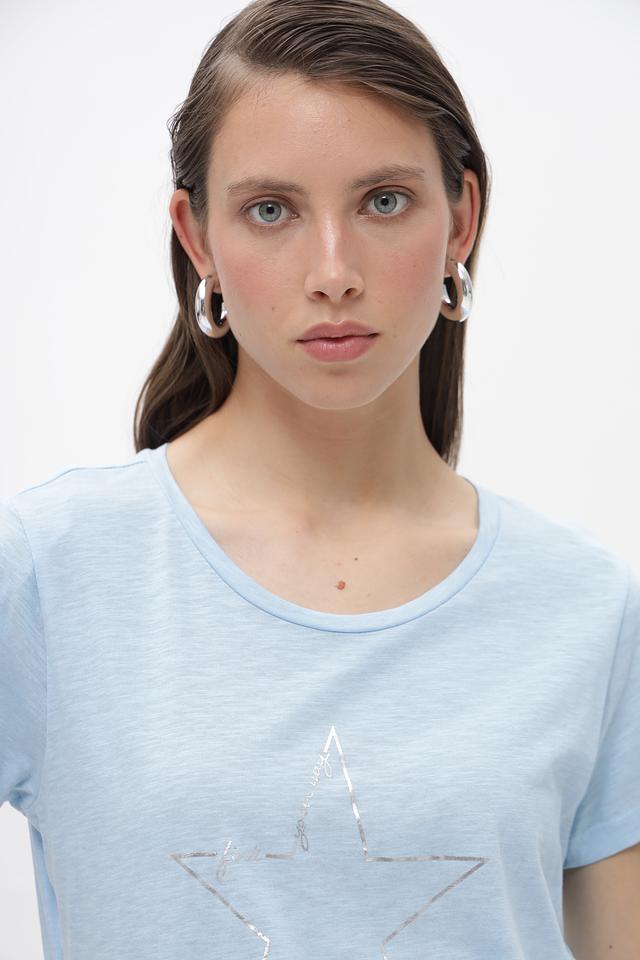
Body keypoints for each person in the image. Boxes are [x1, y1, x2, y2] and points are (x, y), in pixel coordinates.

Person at [1, 0, 638, 957]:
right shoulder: (48, 572)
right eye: (271, 211)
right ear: (198, 238)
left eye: (384, 202)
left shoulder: (585, 606)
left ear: (462, 219)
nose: (333, 273)